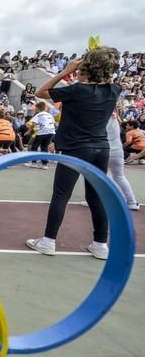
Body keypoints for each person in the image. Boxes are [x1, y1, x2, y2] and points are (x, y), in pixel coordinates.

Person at [26, 47, 121, 260]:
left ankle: (49, 241)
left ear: (86, 70)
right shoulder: (115, 89)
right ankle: (100, 244)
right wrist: (100, 61)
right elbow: (105, 77)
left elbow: (40, 93)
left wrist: (65, 71)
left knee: (61, 194)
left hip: (76, 148)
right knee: (96, 196)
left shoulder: (77, 90)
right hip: (101, 148)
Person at [25, 101, 56, 169]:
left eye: (35, 108)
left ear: (38, 109)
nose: (35, 110)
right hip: (51, 132)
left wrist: (28, 131)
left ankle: (33, 163)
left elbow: (34, 124)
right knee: (44, 147)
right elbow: (54, 124)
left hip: (42, 132)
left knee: (34, 146)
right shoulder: (49, 114)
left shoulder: (38, 114)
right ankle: (44, 165)